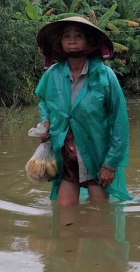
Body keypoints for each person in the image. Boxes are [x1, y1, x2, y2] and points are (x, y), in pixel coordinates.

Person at [34, 16, 131, 206]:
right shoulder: (53, 74)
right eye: (67, 36)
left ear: (88, 41)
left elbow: (119, 120)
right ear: (60, 42)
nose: (72, 40)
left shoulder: (105, 75)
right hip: (65, 154)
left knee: (101, 213)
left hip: (96, 154)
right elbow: (43, 100)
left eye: (78, 36)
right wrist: (45, 122)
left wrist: (110, 164)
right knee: (65, 212)